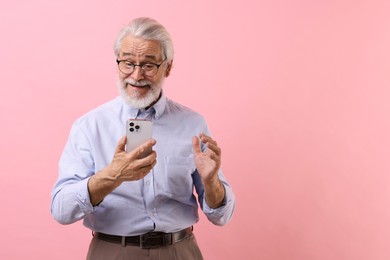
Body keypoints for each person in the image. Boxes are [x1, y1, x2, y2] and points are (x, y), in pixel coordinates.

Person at [51, 17, 235, 260]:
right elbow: (61, 210)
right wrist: (112, 175)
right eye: (128, 63)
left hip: (180, 250)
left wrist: (212, 182)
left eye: (149, 65)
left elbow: (221, 216)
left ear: (167, 67)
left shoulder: (193, 124)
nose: (136, 75)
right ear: (117, 63)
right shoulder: (89, 126)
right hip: (112, 251)